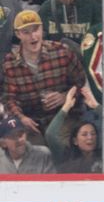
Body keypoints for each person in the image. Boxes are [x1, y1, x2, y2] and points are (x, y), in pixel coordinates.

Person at [3, 9, 86, 140]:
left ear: (42, 29)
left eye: (36, 30)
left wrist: (65, 97)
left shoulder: (62, 52)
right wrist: (21, 118)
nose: (33, 36)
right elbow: (10, 98)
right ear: (18, 34)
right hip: (32, 121)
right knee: (32, 152)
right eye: (26, 32)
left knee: (63, 145)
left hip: (65, 116)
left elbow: (81, 84)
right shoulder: (10, 62)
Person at [44, 84, 102, 172]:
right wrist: (66, 106)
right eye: (84, 134)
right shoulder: (65, 156)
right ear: (75, 140)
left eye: (93, 134)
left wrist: (96, 106)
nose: (90, 137)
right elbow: (50, 135)